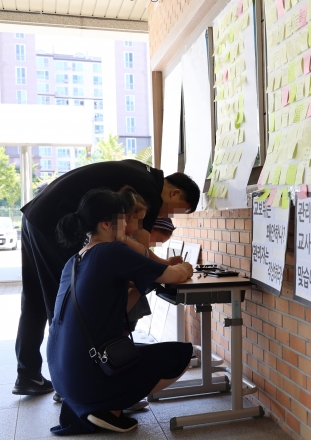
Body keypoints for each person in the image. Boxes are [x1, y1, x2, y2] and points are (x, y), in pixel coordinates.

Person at [14, 159, 200, 396]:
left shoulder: (140, 171)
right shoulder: (151, 191)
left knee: (34, 299)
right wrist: (164, 268)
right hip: (52, 223)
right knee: (62, 305)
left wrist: (160, 265)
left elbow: (139, 252)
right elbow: (139, 255)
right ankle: (70, 384)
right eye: (175, 210)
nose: (167, 215)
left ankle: (27, 374)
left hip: (35, 216)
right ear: (174, 192)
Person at [47, 189, 194, 434]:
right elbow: (172, 274)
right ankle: (108, 407)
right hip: (90, 379)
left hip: (64, 377)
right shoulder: (112, 251)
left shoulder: (74, 260)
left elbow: (107, 311)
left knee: (142, 353)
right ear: (106, 224)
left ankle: (104, 402)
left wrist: (138, 287)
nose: (128, 225)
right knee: (180, 353)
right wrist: (186, 267)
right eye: (122, 220)